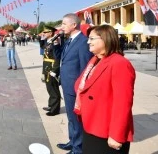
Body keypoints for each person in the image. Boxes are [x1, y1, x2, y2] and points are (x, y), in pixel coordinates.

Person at [74, 25, 135, 154]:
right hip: (91, 123)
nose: (88, 42)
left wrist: (116, 135)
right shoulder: (95, 60)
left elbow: (123, 103)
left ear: (105, 39)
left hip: (106, 129)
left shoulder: (119, 63)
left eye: (91, 38)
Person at [54, 13, 93, 154]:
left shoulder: (83, 42)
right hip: (66, 84)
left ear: (74, 25)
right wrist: (56, 46)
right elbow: (62, 59)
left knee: (76, 120)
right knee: (71, 117)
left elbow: (85, 68)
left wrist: (81, 89)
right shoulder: (69, 40)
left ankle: (78, 149)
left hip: (75, 87)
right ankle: (72, 141)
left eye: (64, 24)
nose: (61, 27)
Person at [39, 26, 61, 116]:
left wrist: (55, 70)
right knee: (49, 87)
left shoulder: (55, 42)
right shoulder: (49, 41)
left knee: (53, 88)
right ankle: (51, 105)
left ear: (51, 33)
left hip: (52, 67)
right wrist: (42, 38)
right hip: (46, 66)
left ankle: (55, 109)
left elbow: (57, 57)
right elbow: (42, 46)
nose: (43, 33)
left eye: (45, 32)